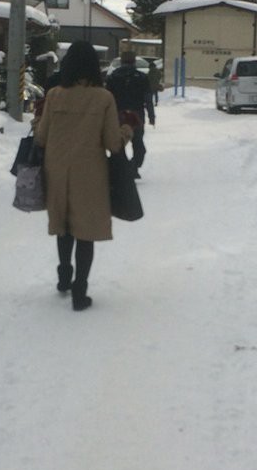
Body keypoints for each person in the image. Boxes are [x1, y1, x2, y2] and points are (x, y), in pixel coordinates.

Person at [33, 41, 133, 311]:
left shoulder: (54, 95)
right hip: (90, 174)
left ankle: (64, 277)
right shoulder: (103, 98)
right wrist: (127, 130)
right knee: (85, 232)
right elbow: (113, 143)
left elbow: (41, 137)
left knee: (63, 226)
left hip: (57, 170)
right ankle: (80, 289)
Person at [106, 50, 151, 178]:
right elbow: (147, 98)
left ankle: (122, 168)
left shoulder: (113, 77)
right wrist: (152, 115)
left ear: (121, 62)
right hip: (137, 115)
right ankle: (134, 166)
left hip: (117, 114)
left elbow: (107, 97)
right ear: (134, 61)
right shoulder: (142, 77)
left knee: (119, 143)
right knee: (138, 143)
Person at [146, 59, 162, 125]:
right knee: (156, 94)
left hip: (151, 85)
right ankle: (156, 102)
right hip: (156, 84)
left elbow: (148, 78)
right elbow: (160, 76)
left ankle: (152, 102)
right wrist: (157, 81)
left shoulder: (150, 71)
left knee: (151, 95)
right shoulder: (158, 71)